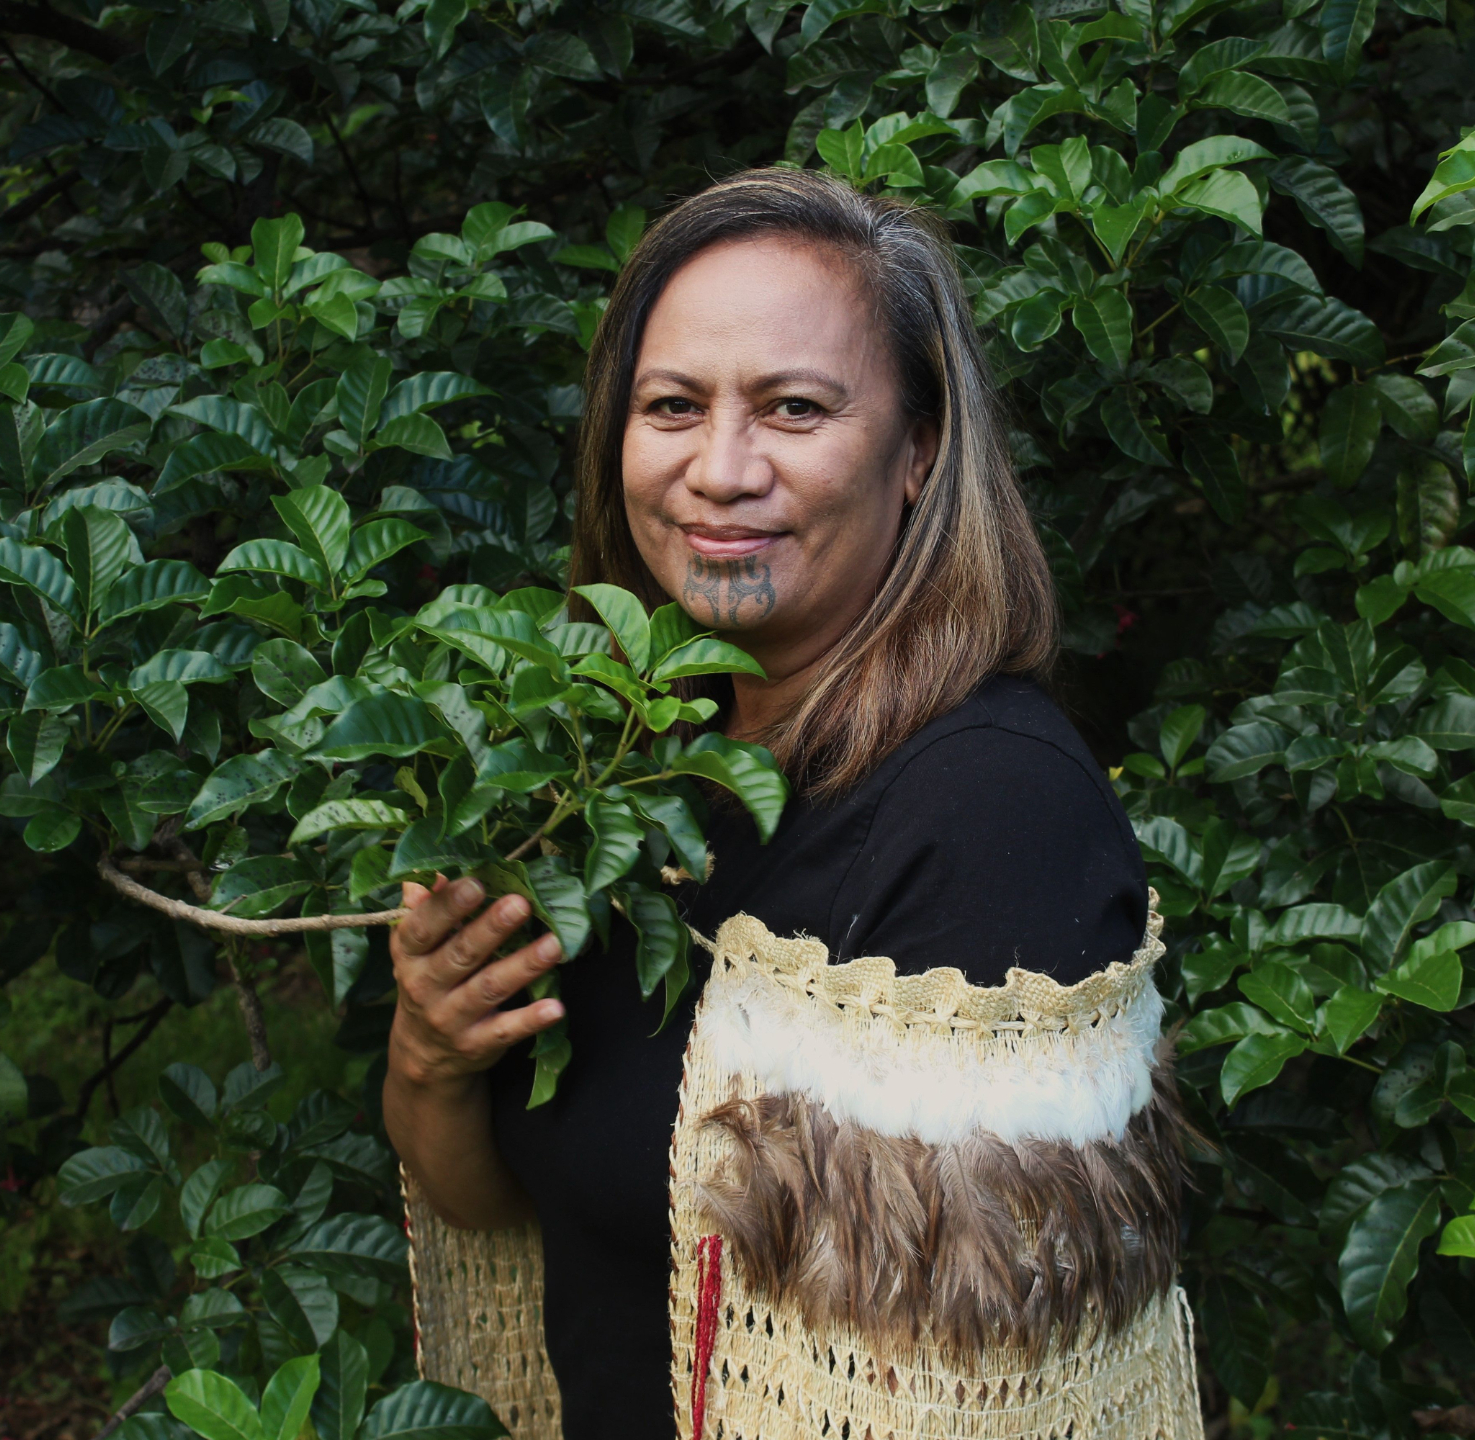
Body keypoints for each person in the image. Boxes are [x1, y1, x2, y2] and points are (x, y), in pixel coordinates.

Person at [382, 168, 1192, 1440]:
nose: (720, 470)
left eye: (795, 408)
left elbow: (963, 1396)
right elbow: (535, 1213)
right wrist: (431, 1061)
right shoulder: (616, 767)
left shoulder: (985, 812)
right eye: (672, 406)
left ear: (918, 452)